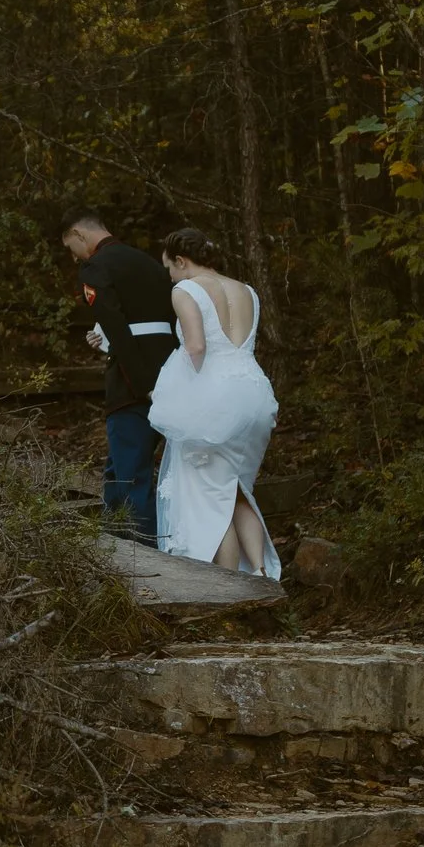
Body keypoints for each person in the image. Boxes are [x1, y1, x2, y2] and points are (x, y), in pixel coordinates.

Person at [147, 227, 281, 578]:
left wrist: (172, 394)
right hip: (254, 394)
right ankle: (261, 572)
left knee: (208, 496)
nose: (170, 277)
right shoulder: (247, 291)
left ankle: (228, 585)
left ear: (181, 260)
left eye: (169, 269)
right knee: (237, 489)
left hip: (215, 399)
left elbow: (196, 347)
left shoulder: (186, 289)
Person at [62, 209, 179, 548]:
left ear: (80, 234)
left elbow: (117, 327)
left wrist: (143, 385)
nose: (73, 256)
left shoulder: (96, 268)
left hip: (133, 384)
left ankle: (144, 556)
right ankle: (113, 546)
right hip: (171, 372)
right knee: (118, 469)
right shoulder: (147, 263)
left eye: (71, 246)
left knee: (131, 476)